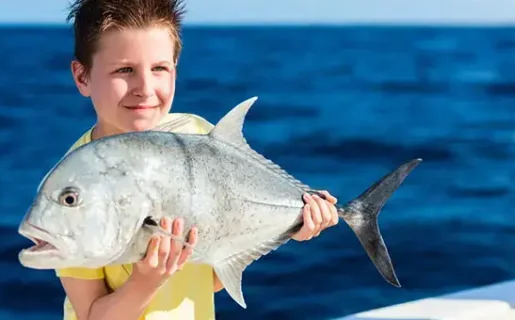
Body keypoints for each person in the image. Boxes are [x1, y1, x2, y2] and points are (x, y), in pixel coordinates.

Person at [53, 0, 340, 319]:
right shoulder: (74, 188)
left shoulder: (196, 135)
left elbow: (208, 277)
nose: (145, 89)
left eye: (159, 68)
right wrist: (146, 282)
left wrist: (291, 226)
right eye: (125, 70)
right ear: (82, 77)